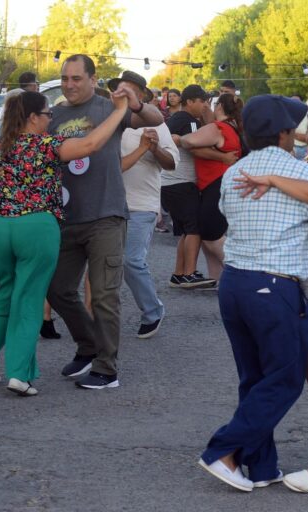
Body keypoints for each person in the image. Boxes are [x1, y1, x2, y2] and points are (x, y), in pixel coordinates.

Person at [196, 95, 308, 493]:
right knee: (286, 378)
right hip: (272, 285)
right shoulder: (300, 175)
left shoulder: (234, 171)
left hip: (233, 283)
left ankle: (261, 466)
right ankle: (223, 451)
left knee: (254, 377)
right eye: (297, 129)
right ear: (284, 133)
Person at [0, 89, 129, 396]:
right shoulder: (46, 145)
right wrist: (119, 110)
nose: (50, 119)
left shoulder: (0, 145)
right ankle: (19, 374)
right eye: (47, 114)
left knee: (5, 293)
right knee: (30, 297)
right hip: (35, 225)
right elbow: (92, 143)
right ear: (32, 117)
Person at [46, 55, 164, 390]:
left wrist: (136, 103)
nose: (69, 85)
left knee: (104, 295)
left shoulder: (109, 106)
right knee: (57, 289)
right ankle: (88, 346)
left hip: (105, 216)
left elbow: (155, 119)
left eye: (76, 79)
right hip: (66, 217)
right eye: (65, 78)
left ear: (93, 78)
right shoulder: (54, 114)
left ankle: (107, 368)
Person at [112, 71, 179, 339]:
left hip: (142, 203)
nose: (121, 95)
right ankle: (100, 318)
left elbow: (172, 163)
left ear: (141, 95)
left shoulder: (158, 126)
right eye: (118, 90)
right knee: (105, 263)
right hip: (110, 203)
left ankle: (152, 310)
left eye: (127, 91)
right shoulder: (111, 121)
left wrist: (153, 149)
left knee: (131, 260)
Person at [180, 93, 244, 280]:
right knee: (209, 235)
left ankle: (240, 271)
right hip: (217, 182)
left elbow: (188, 141)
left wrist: (182, 138)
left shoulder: (219, 128)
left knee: (211, 234)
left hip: (216, 183)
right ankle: (219, 279)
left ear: (220, 108)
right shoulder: (231, 127)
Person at [162, 84, 216, 289]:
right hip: (182, 182)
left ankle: (178, 273)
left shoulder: (175, 119)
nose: (204, 105)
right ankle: (189, 274)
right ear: (191, 101)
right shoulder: (189, 121)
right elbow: (196, 148)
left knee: (186, 230)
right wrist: (222, 156)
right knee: (195, 228)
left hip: (168, 182)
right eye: (202, 101)